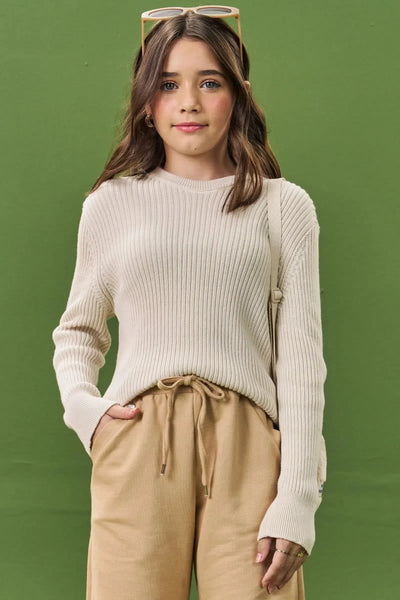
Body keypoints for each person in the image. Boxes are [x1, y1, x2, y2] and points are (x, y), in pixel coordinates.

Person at [51, 6, 327, 600]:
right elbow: (78, 333)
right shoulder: (110, 205)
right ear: (146, 103)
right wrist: (87, 413)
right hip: (138, 439)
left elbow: (302, 361)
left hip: (250, 448)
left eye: (210, 82)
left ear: (238, 94)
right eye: (169, 84)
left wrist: (298, 496)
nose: (190, 103)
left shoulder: (284, 207)